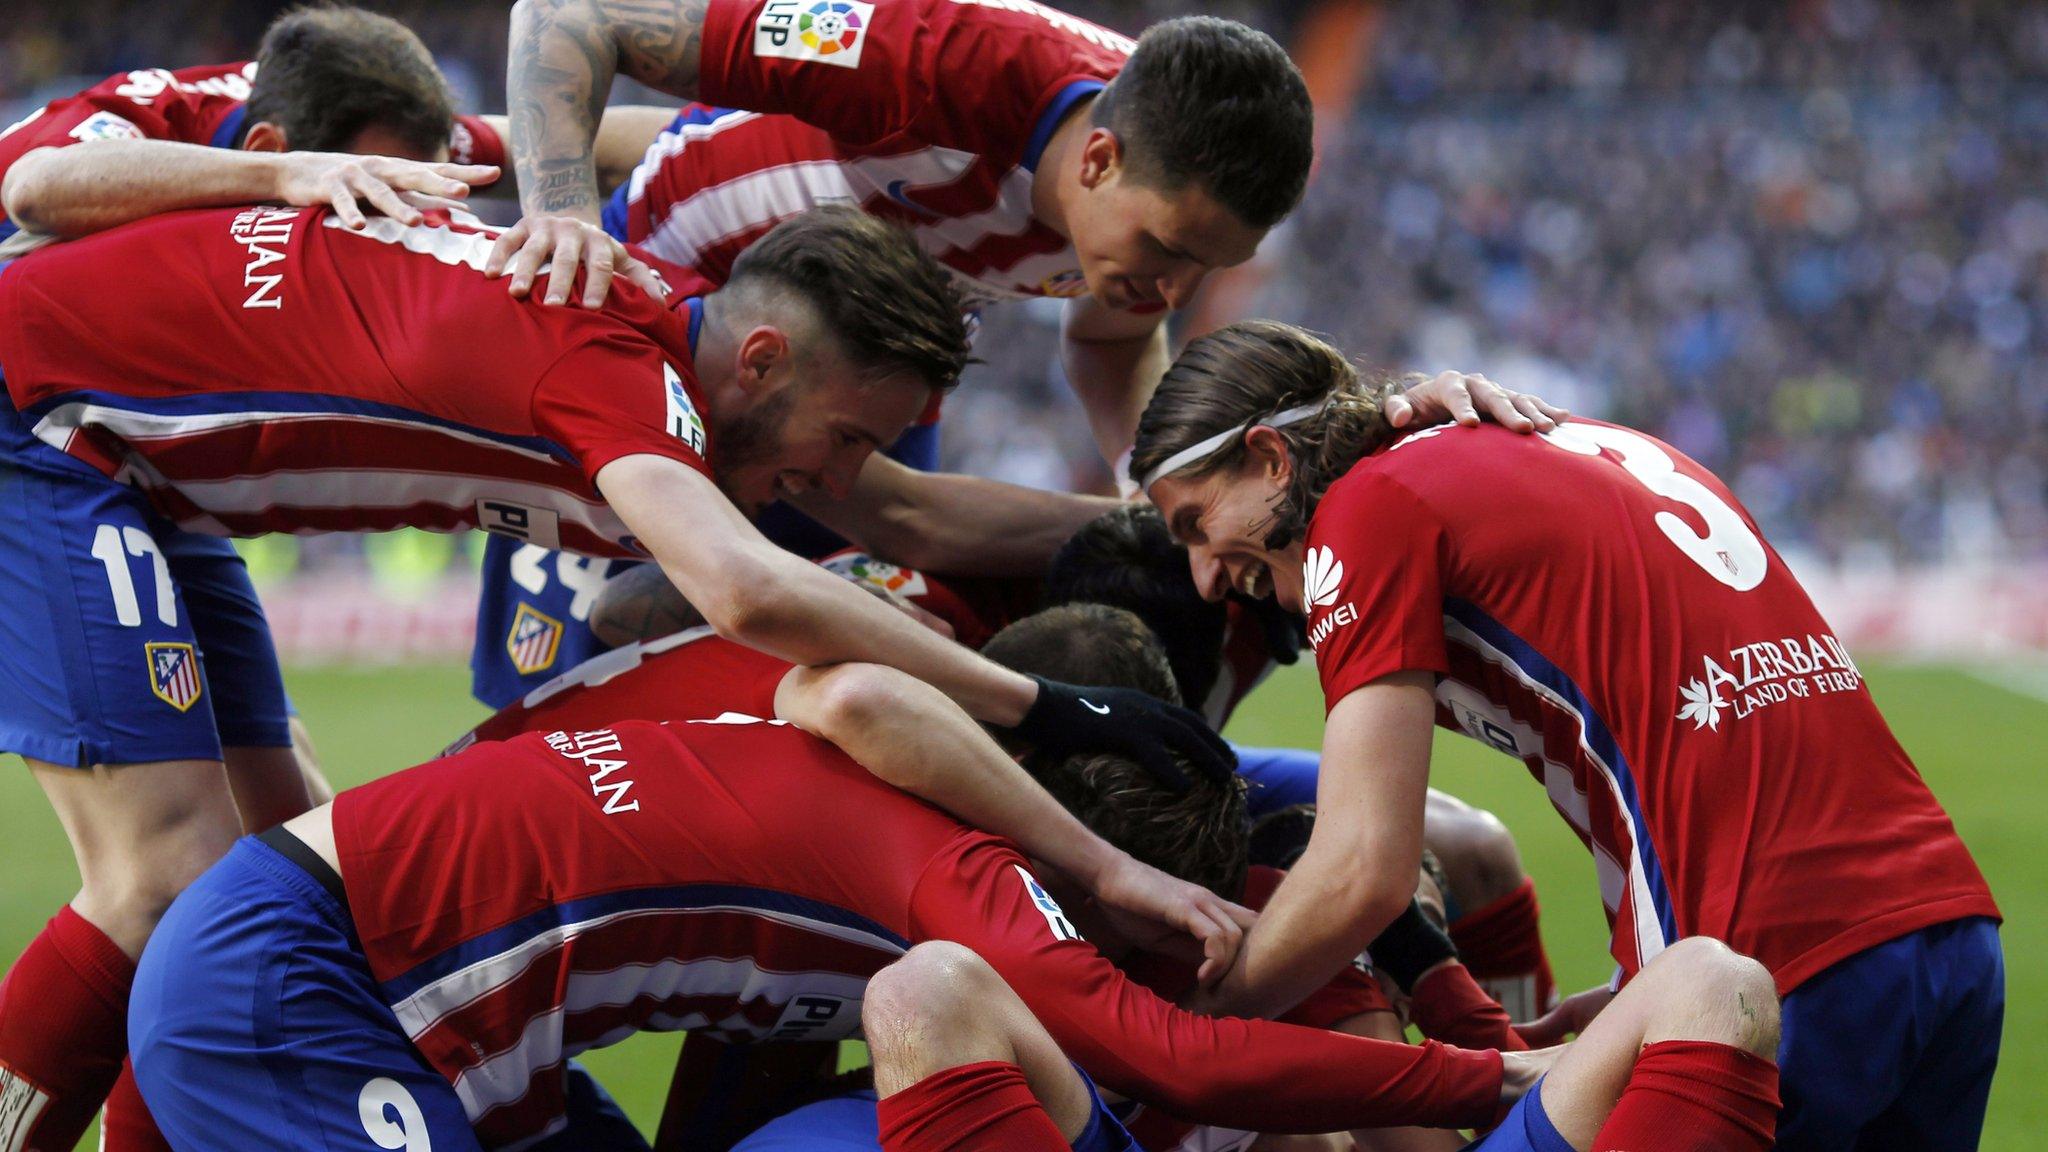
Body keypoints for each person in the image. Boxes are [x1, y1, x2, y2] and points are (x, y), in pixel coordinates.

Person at [0, 199, 1228, 1151]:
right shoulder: (617, 379)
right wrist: (1039, 700)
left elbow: (898, 518)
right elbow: (741, 588)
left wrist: (1160, 524)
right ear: (758, 361)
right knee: (165, 882)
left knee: (272, 881)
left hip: (153, 482)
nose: (835, 482)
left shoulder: (661, 327)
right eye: (844, 438)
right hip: (43, 423)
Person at [464, 0, 1563, 707]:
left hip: (871, 371)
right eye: (1164, 251)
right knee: (564, 697)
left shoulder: (1152, 173)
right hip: (678, 333)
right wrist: (567, 220)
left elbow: (1106, 348)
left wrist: (1170, 498)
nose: (1168, 291)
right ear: (1094, 158)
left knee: (825, 709)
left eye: (1201, 270)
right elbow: (571, 19)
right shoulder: (941, 53)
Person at [1131, 320, 2005, 1149]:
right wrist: (1633, 1000)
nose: (1206, 576)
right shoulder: (1562, 439)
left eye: (1195, 525)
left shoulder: (1367, 509)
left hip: (1771, 971)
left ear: (1272, 457)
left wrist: (1183, 1040)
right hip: (1947, 936)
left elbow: (1362, 869)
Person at [129, 687, 1538, 1152]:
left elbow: (842, 694)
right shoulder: (969, 886)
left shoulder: (892, 757)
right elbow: (1188, 1060)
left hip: (394, 989)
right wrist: (1496, 1074)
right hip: (302, 983)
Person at [0, 10, 502, 1148]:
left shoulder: (334, 106)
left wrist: (744, 124)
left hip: (127, 444)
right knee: (166, 871)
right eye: (373, 197)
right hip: (30, 438)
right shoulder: (142, 124)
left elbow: (516, 130)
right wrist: (290, 175)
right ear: (281, 136)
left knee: (293, 859)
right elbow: (36, 187)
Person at [1045, 505, 1560, 1019]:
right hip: (1087, 801)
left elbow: (1369, 864)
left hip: (1203, 769)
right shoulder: (1019, 638)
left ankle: (1532, 1065)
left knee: (1471, 848)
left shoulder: (1256, 572)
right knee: (1336, 957)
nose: (1214, 573)